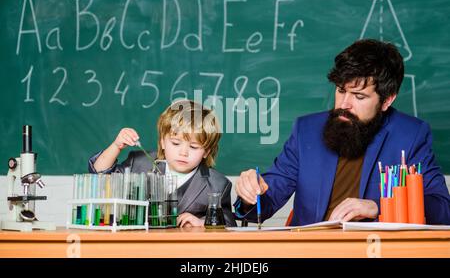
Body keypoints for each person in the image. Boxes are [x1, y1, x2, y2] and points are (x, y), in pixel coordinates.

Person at [234, 39, 450, 225]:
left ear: (387, 100)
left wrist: (378, 207)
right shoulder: (305, 131)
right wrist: (251, 194)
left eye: (359, 96)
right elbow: (267, 202)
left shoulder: (411, 135)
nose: (344, 104)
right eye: (340, 90)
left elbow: (442, 209)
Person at [88, 100, 236, 227]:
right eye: (176, 143)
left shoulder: (218, 184)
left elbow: (229, 223)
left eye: (193, 147)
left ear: (206, 152)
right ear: (162, 142)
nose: (183, 152)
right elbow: (100, 173)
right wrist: (116, 145)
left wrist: (203, 222)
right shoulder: (138, 164)